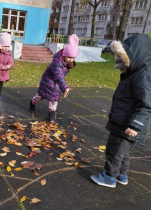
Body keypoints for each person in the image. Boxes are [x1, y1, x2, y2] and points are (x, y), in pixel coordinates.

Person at [90, 34, 151, 188]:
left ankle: (109, 177)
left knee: (114, 151)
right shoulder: (134, 73)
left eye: (124, 61)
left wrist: (135, 125)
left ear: (134, 57)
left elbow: (145, 103)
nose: (122, 65)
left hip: (128, 125)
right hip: (124, 121)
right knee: (123, 153)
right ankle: (121, 176)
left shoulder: (141, 76)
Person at [29, 34, 79, 123]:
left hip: (56, 84)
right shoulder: (57, 63)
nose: (71, 60)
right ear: (64, 55)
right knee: (40, 95)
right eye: (69, 57)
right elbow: (59, 75)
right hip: (47, 81)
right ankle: (33, 102)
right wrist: (64, 87)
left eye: (73, 58)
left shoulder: (65, 62)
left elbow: (60, 76)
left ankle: (52, 114)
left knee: (54, 99)